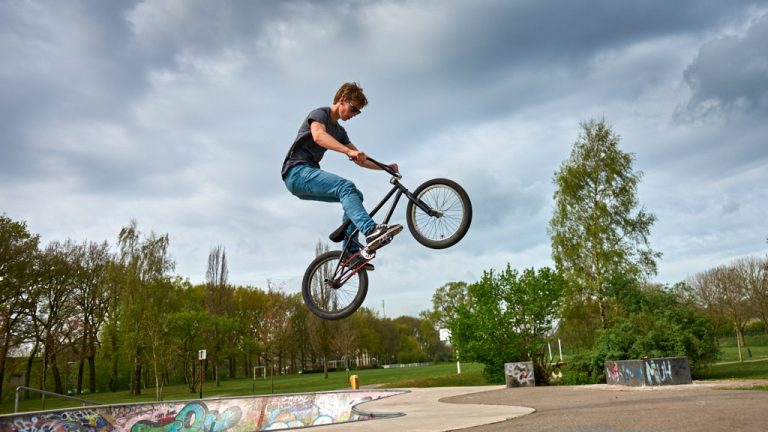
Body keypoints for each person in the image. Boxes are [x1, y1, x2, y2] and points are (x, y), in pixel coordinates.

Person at [281, 82, 402, 270]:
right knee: (345, 187)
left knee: (354, 196)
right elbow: (318, 136)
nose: (354, 115)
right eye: (353, 109)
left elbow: (361, 159)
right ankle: (370, 230)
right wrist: (347, 151)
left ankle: (351, 254)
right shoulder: (320, 114)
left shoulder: (340, 131)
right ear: (342, 100)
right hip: (296, 172)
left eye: (358, 112)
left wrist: (385, 168)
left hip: (306, 176)